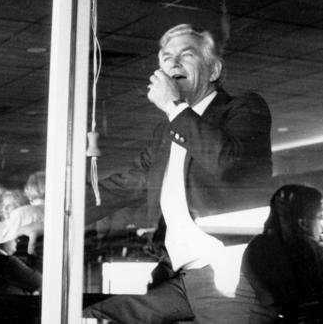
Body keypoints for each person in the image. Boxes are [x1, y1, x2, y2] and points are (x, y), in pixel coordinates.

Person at [83, 23, 273, 323]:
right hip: (181, 278)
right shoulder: (166, 131)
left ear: (213, 71)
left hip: (229, 278)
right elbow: (128, 183)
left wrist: (174, 106)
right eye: (166, 56)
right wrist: (54, 212)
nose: (173, 62)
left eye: (186, 55)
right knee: (94, 317)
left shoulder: (245, 108)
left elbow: (228, 163)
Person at [241, 185, 323, 324]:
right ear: (302, 223)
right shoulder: (299, 248)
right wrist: (320, 252)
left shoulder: (260, 244)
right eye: (319, 218)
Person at [0, 225, 42, 324]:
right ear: (2, 239)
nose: (17, 240)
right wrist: (34, 251)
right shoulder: (6, 261)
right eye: (13, 236)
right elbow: (38, 281)